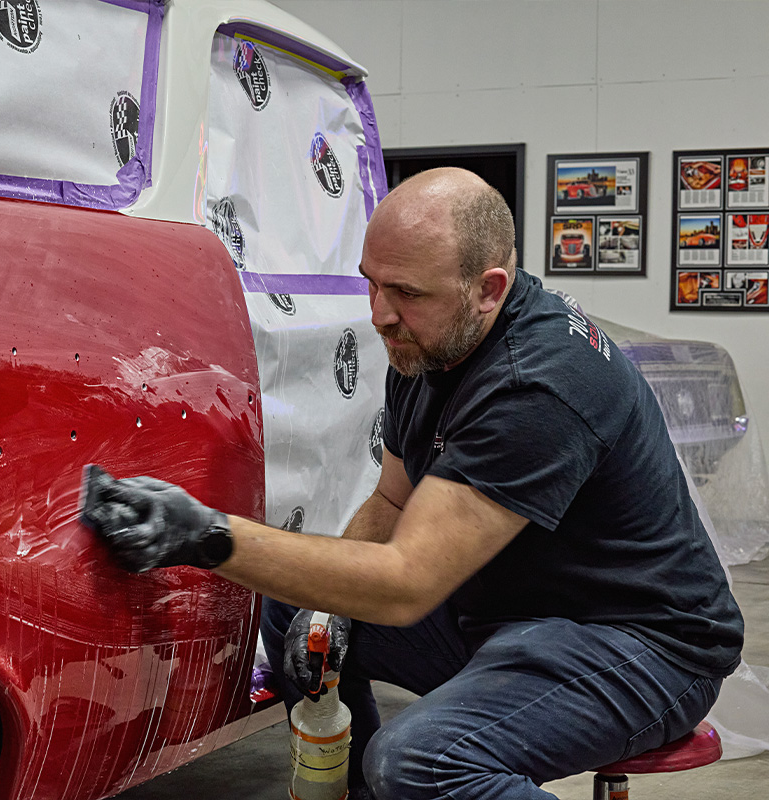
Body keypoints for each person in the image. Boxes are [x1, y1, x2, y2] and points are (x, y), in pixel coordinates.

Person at [81, 168, 743, 799]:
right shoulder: (431, 343)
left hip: (640, 641)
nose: (379, 315)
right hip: (507, 611)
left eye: (407, 293)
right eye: (372, 284)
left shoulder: (536, 388)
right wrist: (325, 608)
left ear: (489, 288)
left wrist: (208, 536)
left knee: (422, 762)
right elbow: (393, 500)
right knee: (301, 611)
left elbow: (404, 584)